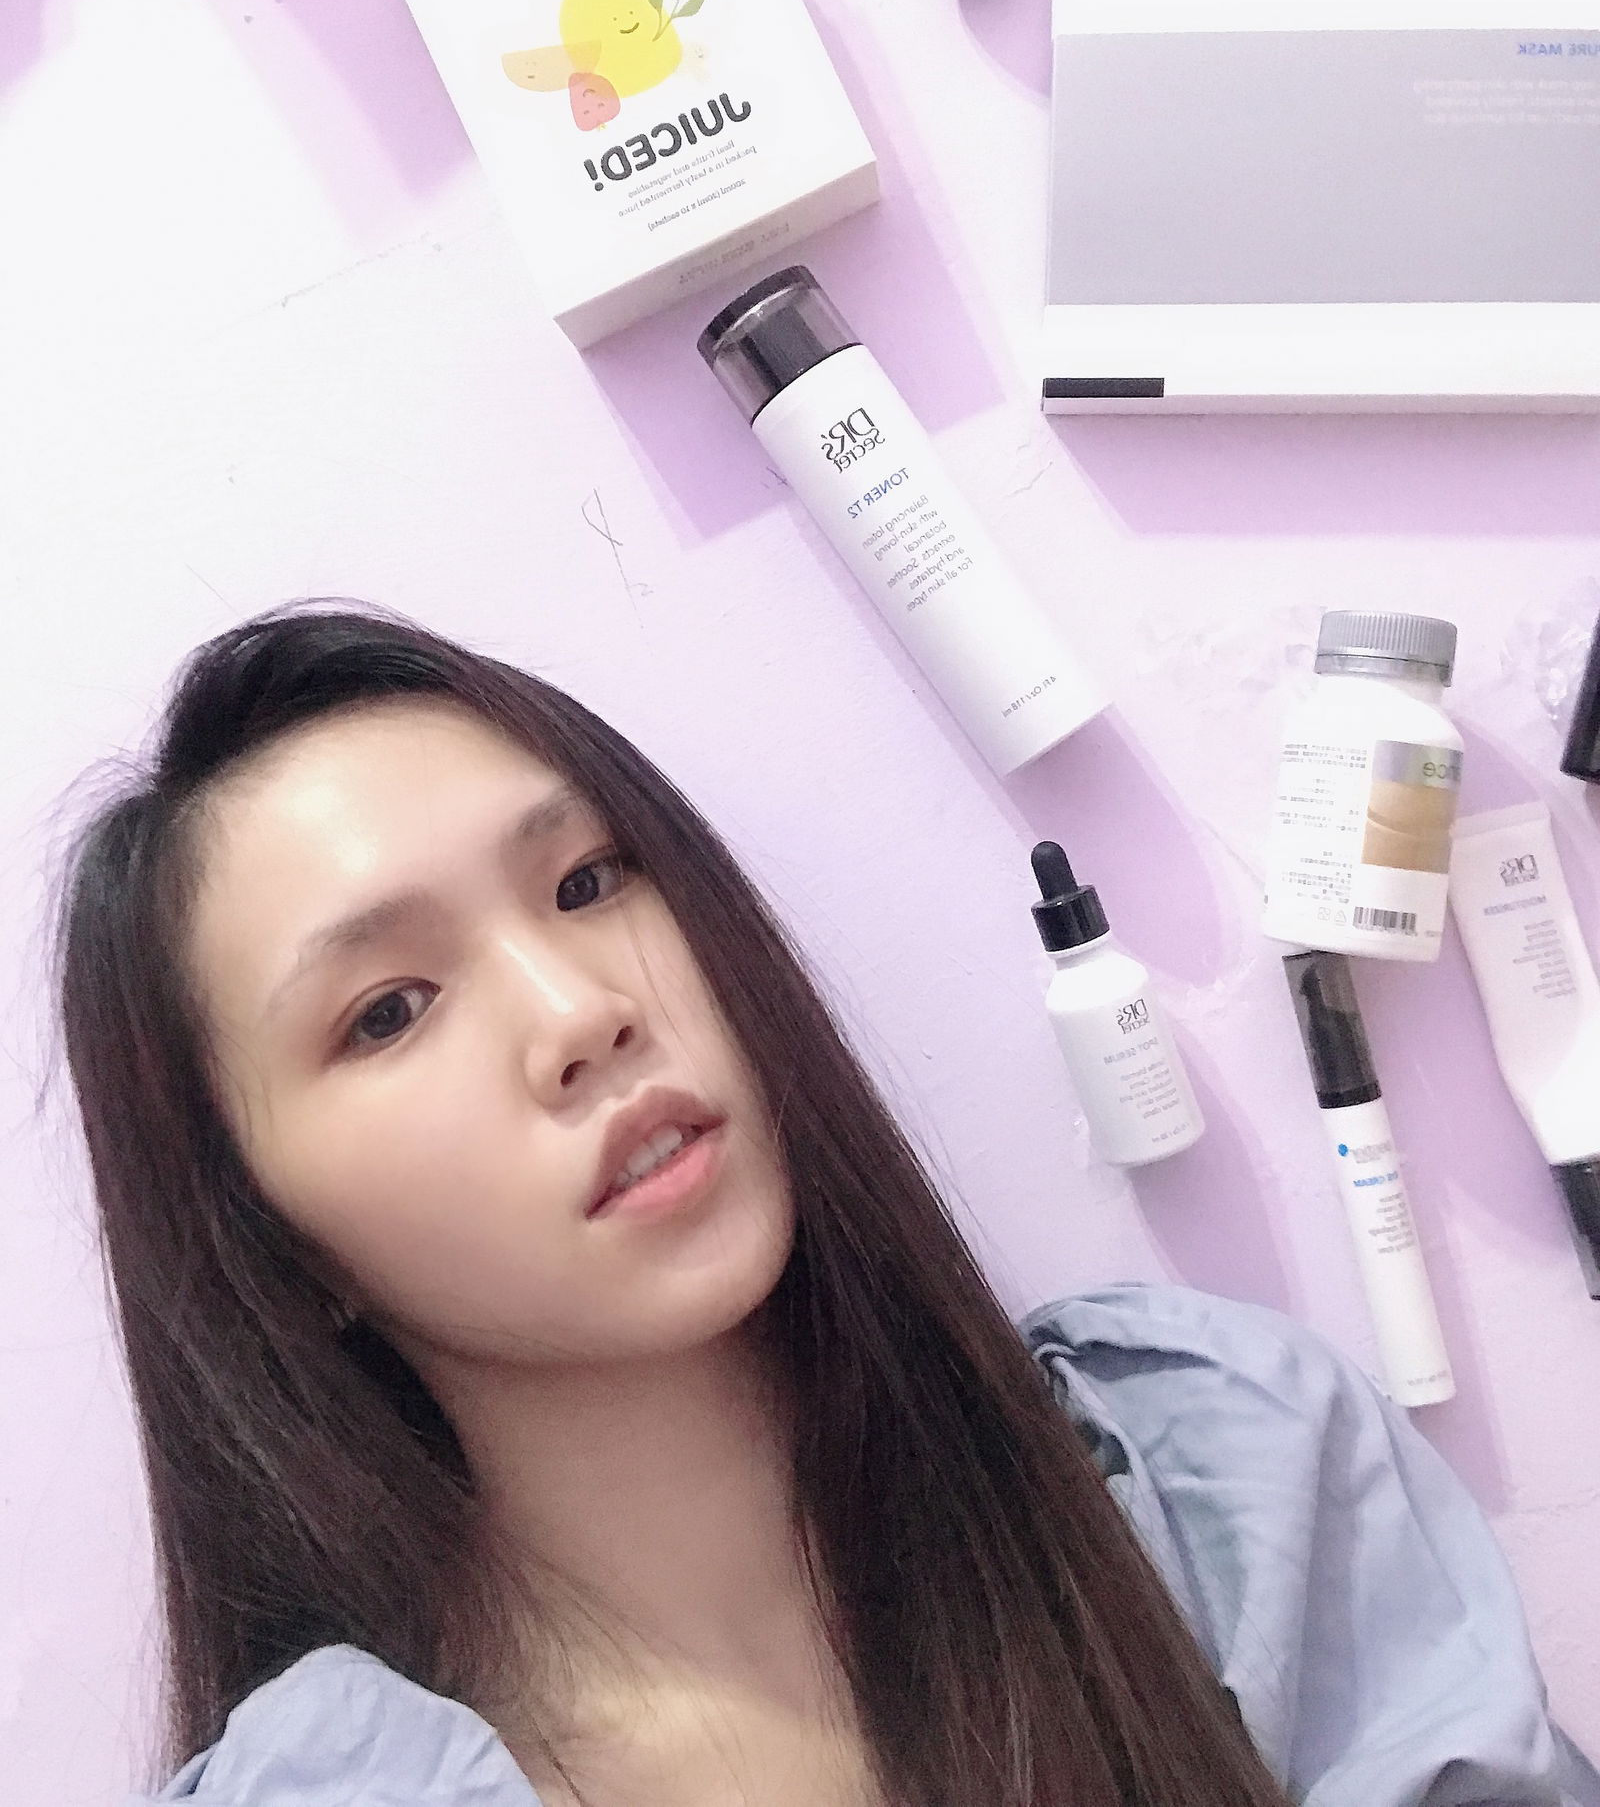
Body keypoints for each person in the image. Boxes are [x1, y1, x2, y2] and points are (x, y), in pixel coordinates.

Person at [55, 606, 1598, 1807]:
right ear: (272, 1249)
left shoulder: (1222, 1486)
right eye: (389, 1009)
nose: (580, 1010)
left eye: (590, 881)